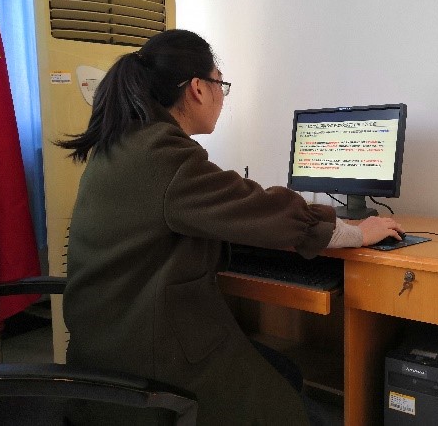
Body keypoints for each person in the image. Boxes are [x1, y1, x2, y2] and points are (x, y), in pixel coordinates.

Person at [56, 29, 403, 425]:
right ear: (198, 88)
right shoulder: (165, 155)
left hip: (106, 347)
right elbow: (264, 210)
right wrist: (359, 233)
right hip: (148, 363)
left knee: (284, 371)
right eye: (221, 83)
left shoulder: (123, 143)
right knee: (299, 412)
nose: (222, 96)